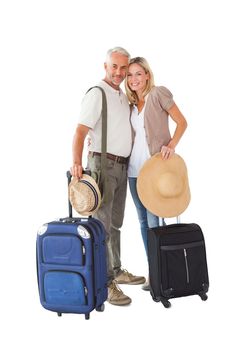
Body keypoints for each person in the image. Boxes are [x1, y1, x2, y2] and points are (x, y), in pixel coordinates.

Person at [70, 47, 145, 306]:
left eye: (124, 68)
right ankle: (104, 282)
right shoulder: (97, 93)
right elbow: (80, 131)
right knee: (101, 227)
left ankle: (115, 270)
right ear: (106, 66)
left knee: (115, 224)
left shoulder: (121, 96)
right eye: (115, 67)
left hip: (121, 167)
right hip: (102, 165)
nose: (119, 73)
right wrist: (77, 164)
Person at [125, 57, 188, 291]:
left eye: (138, 74)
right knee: (143, 222)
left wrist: (171, 145)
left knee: (155, 223)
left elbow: (182, 122)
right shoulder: (130, 104)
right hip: (133, 171)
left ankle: (162, 272)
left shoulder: (158, 94)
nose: (134, 79)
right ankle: (154, 271)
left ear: (147, 75)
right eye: (130, 75)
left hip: (154, 171)